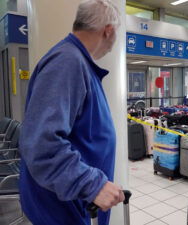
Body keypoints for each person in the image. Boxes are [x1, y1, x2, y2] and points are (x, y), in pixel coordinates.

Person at [19, 1, 125, 225]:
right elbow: (41, 145)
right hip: (63, 209)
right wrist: (91, 184)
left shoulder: (77, 62)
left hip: (73, 205)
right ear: (109, 30)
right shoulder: (67, 62)